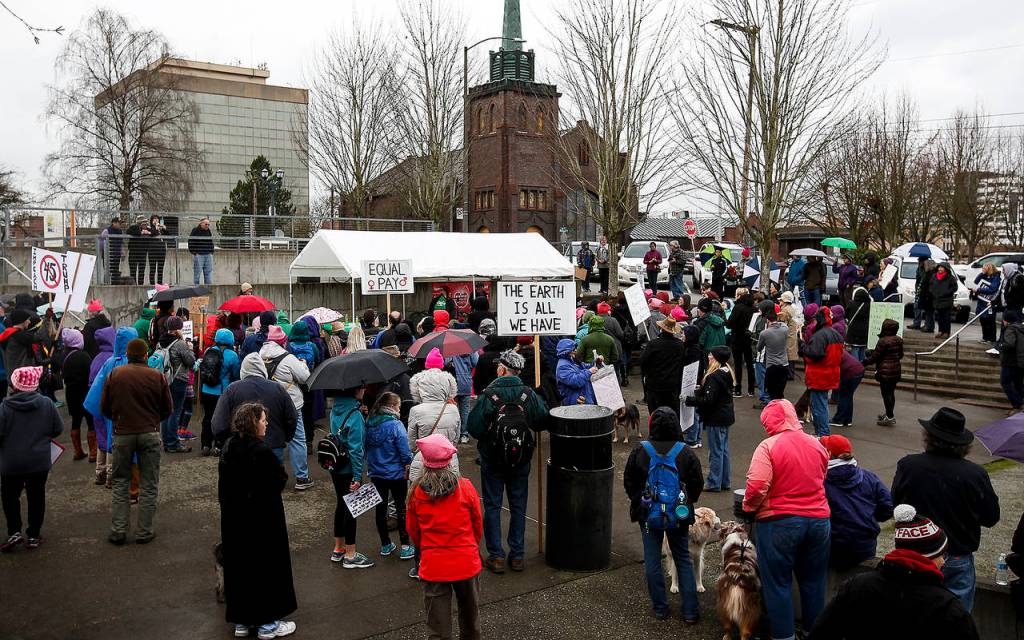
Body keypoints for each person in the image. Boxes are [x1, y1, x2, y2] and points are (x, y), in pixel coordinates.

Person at [809, 504, 978, 640]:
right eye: (942, 555)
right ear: (929, 557)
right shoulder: (947, 608)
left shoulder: (857, 586)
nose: (943, 561)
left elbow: (822, 631)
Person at [891, 407, 1000, 612]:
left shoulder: (909, 466)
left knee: (912, 613)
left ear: (929, 436)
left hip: (916, 553)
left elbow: (896, 505)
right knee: (956, 619)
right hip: (957, 554)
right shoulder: (975, 474)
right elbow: (991, 517)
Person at [743, 400, 830, 640]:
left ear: (768, 422)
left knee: (778, 583)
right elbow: (822, 477)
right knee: (813, 582)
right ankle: (813, 631)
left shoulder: (768, 446)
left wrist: (749, 508)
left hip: (779, 522)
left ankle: (784, 636)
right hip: (819, 521)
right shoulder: (817, 444)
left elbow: (757, 486)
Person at [218, 402, 298, 639]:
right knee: (266, 566)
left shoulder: (229, 447)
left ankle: (242, 619)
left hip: (234, 518)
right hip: (262, 518)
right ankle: (267, 621)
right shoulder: (261, 452)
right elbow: (278, 479)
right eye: (263, 420)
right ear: (254, 423)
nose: (266, 424)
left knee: (240, 566)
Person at [467, 350, 549, 574]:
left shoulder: (489, 394)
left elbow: (473, 427)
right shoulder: (527, 394)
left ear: (502, 369)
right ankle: (518, 555)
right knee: (518, 505)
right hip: (521, 459)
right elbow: (542, 420)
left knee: (493, 505)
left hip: (492, 459)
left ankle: (496, 556)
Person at [623, 407, 704, 622]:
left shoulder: (641, 451)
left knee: (652, 561)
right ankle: (690, 611)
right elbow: (697, 484)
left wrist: (640, 501)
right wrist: (686, 502)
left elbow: (629, 482)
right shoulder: (685, 452)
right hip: (679, 514)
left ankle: (660, 608)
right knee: (683, 559)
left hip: (649, 513)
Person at [406, 434, 483, 639]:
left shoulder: (416, 493)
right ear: (449, 460)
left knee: (438, 626)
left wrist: (426, 550)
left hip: (434, 565)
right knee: (470, 618)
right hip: (466, 560)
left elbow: (414, 530)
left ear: (424, 461)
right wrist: (471, 547)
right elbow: (477, 523)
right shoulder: (465, 486)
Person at [100, 338, 172, 545]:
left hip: (122, 433)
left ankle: (118, 531)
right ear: (145, 356)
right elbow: (167, 408)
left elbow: (104, 406)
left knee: (120, 482)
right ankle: (144, 531)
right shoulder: (156, 375)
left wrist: (119, 420)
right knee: (149, 483)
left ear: (128, 355)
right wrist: (152, 421)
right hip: (149, 432)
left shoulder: (115, 374)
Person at [0, 367, 63, 551]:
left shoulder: (4, 408)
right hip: (38, 461)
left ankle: (14, 531)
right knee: (36, 496)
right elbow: (57, 429)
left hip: (11, 462)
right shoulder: (46, 404)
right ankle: (34, 535)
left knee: (10, 496)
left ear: (14, 385)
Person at [819, 434, 893, 569]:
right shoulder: (869, 477)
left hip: (831, 547)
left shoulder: (820, 480)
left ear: (828, 453)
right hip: (864, 547)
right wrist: (868, 517)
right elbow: (888, 508)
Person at [211, 353, 297, 458]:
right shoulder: (278, 388)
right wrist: (284, 437)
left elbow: (218, 423)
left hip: (240, 447)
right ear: (262, 369)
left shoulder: (232, 389)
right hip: (273, 445)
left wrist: (227, 442)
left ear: (243, 370)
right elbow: (292, 418)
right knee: (273, 474)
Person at [363, 392, 415, 562]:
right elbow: (405, 450)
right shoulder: (395, 424)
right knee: (401, 508)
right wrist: (409, 463)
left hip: (377, 472)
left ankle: (385, 544)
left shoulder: (369, 422)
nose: (399, 409)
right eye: (398, 406)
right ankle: (405, 545)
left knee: (380, 508)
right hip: (396, 473)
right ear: (392, 407)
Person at [260, 326, 312, 491]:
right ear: (283, 341)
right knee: (297, 440)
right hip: (291, 403)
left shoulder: (259, 355)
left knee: (271, 440)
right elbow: (305, 378)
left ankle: (273, 476)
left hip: (267, 405)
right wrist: (303, 365)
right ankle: (302, 478)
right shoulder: (288, 358)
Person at [328, 386, 372, 568]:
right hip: (348, 468)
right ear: (354, 391)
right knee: (351, 508)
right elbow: (356, 449)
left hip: (334, 465)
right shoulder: (354, 416)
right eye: (361, 387)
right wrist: (357, 476)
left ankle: (338, 548)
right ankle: (351, 554)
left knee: (341, 504)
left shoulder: (335, 410)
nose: (364, 389)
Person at [685, 346, 735, 492]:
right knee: (723, 450)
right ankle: (724, 481)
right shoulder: (727, 373)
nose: (708, 357)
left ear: (716, 358)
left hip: (716, 418)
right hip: (726, 416)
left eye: (711, 355)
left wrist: (689, 399)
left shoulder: (713, 376)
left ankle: (714, 482)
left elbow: (708, 399)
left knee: (715, 451)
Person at [801, 306, 843, 437]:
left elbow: (815, 354)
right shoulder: (835, 333)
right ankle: (821, 432)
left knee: (819, 407)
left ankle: (822, 434)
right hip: (830, 373)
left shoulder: (820, 335)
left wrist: (802, 345)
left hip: (819, 375)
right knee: (821, 404)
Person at [156, 316, 195, 454]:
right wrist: (190, 348)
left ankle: (166, 440)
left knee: (166, 411)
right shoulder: (180, 344)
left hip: (165, 379)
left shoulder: (161, 341)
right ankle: (173, 443)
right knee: (175, 412)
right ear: (179, 328)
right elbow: (190, 361)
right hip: (178, 380)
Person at [199, 329, 241, 455]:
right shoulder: (232, 355)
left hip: (207, 389)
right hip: (223, 392)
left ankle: (205, 444)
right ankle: (219, 445)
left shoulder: (208, 351)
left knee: (207, 417)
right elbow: (235, 374)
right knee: (223, 418)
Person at [639, 316, 687, 417]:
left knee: (655, 412)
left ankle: (656, 430)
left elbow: (642, 360)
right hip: (672, 385)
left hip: (654, 384)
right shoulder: (679, 345)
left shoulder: (654, 344)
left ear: (661, 329)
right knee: (671, 413)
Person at [61, 329, 95, 461]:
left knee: (76, 421)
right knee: (90, 420)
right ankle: (93, 452)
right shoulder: (83, 356)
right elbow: (90, 373)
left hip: (71, 392)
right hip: (85, 391)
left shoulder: (64, 356)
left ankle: (78, 451)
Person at [863, 319, 904, 426]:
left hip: (885, 370)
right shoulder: (899, 340)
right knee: (891, 392)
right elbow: (900, 355)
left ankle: (890, 416)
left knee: (886, 394)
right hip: (896, 369)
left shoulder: (883, 341)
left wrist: (864, 362)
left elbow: (875, 357)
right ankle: (889, 414)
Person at [757, 306, 790, 401]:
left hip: (771, 366)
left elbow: (759, 348)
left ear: (767, 320)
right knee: (780, 392)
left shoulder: (764, 333)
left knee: (771, 392)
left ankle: (773, 410)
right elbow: (782, 323)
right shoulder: (785, 329)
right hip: (784, 364)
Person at [728, 289, 756, 397]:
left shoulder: (738, 308)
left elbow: (730, 323)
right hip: (749, 339)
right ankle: (751, 389)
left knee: (738, 364)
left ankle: (738, 388)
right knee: (750, 364)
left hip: (737, 338)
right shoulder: (754, 309)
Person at [554, 339, 597, 407]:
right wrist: (589, 372)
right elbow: (575, 381)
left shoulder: (571, 361)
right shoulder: (562, 366)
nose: (576, 350)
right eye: (573, 349)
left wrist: (596, 362)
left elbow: (585, 367)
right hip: (574, 402)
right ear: (566, 351)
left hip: (581, 399)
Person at [829, 350, 864, 429]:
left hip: (850, 372)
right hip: (858, 370)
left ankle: (839, 419)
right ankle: (847, 420)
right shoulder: (839, 349)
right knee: (848, 396)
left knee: (843, 396)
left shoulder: (833, 352)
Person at [0, 309, 40, 376]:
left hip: (14, 375)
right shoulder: (19, 336)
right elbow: (38, 337)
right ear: (22, 321)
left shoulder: (10, 334)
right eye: (28, 319)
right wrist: (47, 319)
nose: (29, 322)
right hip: (22, 377)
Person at [999, 310, 1024, 412]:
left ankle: (1017, 404)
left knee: (1005, 382)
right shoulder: (1021, 328)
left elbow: (1009, 344)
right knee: (1018, 383)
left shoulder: (1010, 329)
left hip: (1010, 361)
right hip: (1020, 361)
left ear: (1006, 320)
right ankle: (1020, 404)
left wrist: (1001, 346)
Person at [972, 262, 1000, 344]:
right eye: (982, 268)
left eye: (984, 268)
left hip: (989, 302)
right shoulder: (984, 276)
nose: (983, 270)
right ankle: (985, 337)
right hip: (981, 300)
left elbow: (993, 289)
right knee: (983, 320)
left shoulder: (996, 277)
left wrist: (979, 290)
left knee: (990, 320)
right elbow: (976, 281)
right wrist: (982, 273)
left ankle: (991, 339)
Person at [844, 282, 871, 361]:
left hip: (854, 329)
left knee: (855, 348)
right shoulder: (869, 305)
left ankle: (856, 366)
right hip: (865, 329)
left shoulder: (851, 303)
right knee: (862, 347)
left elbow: (846, 315)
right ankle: (861, 366)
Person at [930, 262, 957, 340]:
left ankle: (946, 332)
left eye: (942, 267)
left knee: (946, 317)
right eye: (939, 267)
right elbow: (931, 285)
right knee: (939, 316)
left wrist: (947, 292)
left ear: (945, 269)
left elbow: (954, 288)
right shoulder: (934, 276)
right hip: (937, 300)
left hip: (946, 300)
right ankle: (940, 331)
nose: (940, 269)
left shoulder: (950, 278)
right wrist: (933, 292)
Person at [124, 215, 150, 284]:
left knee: (141, 272)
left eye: (146, 223)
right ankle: (133, 285)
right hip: (133, 254)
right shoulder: (133, 228)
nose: (146, 225)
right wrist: (141, 232)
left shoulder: (148, 229)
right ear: (140, 223)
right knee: (133, 272)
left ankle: (140, 285)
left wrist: (149, 232)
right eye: (144, 223)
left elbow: (155, 232)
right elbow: (128, 231)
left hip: (143, 254)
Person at [188, 217, 214, 285]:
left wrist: (211, 251)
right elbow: (190, 241)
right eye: (206, 224)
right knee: (197, 273)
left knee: (208, 273)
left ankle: (208, 289)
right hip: (199, 254)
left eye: (208, 224)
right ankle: (196, 289)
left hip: (208, 254)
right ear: (201, 223)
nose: (207, 226)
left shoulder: (208, 231)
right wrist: (194, 252)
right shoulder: (195, 230)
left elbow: (211, 241)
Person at [146, 214, 166, 285]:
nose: (156, 220)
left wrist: (163, 228)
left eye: (157, 219)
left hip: (162, 251)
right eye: (154, 219)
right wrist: (156, 227)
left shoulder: (160, 228)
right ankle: (152, 284)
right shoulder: (149, 228)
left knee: (160, 269)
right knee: (152, 269)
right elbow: (152, 234)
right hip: (152, 251)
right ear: (151, 220)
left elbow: (168, 234)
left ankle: (160, 284)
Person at [104, 218, 124, 282]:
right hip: (109, 255)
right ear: (114, 223)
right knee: (108, 270)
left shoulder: (120, 231)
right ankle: (106, 283)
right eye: (119, 223)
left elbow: (121, 243)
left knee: (116, 270)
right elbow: (101, 242)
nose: (120, 225)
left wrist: (122, 252)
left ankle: (115, 283)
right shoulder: (107, 231)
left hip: (117, 254)